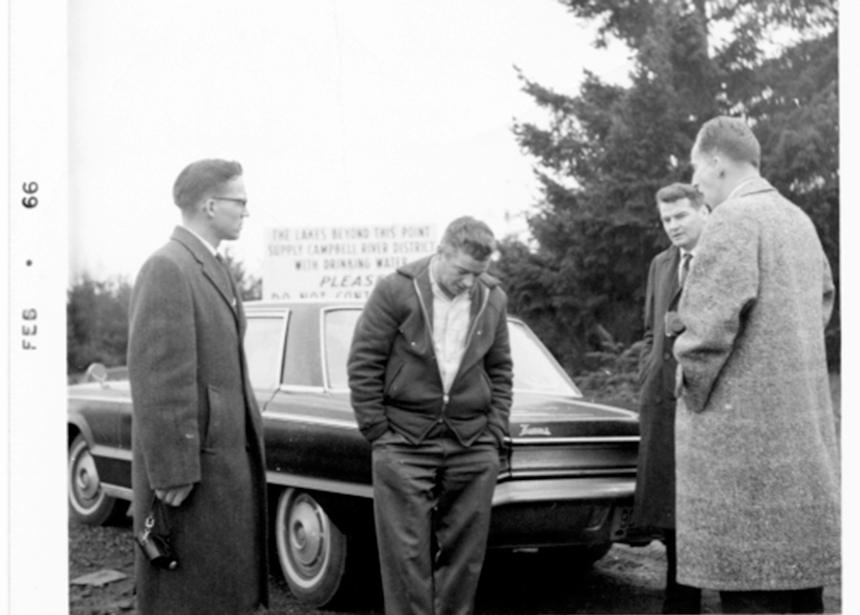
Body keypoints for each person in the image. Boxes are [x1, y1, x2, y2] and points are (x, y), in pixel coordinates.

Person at [674, 116, 840, 614]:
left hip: (743, 462)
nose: (696, 182)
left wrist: (687, 388)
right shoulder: (797, 219)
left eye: (696, 169)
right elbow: (824, 301)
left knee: (751, 592)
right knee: (799, 593)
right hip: (800, 456)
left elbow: (705, 333)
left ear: (718, 161)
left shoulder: (731, 219)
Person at [347, 216, 513, 615]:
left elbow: (501, 368)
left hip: (471, 441)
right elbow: (364, 361)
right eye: (462, 272)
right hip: (403, 440)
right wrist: (378, 430)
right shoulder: (395, 290)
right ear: (441, 253)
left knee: (466, 554)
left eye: (479, 274)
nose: (469, 283)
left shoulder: (493, 298)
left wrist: (494, 430)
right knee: (405, 557)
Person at [127, 159, 268, 614]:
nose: (246, 211)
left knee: (221, 589)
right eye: (240, 201)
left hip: (218, 464)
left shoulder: (211, 267)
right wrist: (171, 470)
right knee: (190, 594)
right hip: (191, 474)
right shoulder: (169, 267)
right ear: (210, 205)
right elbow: (160, 376)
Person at [633, 182, 707, 614]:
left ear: (703, 210)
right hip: (663, 402)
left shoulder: (721, 257)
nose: (673, 226)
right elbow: (650, 330)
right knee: (674, 513)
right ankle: (679, 604)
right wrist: (649, 375)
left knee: (704, 508)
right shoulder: (662, 264)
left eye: (681, 216)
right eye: (666, 220)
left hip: (706, 401)